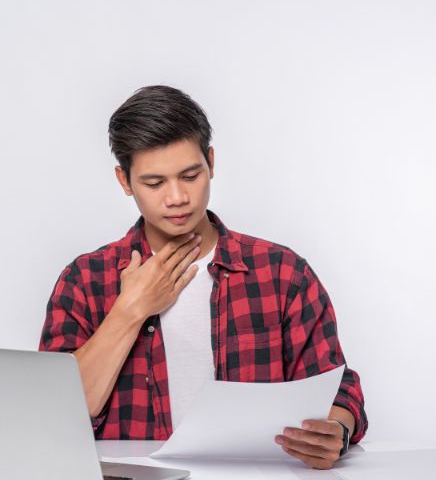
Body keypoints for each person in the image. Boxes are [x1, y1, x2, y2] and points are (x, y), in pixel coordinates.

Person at [39, 85, 367, 470]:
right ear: (124, 181)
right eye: (154, 183)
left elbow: (338, 390)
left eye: (190, 175)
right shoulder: (85, 281)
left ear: (211, 162)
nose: (177, 197)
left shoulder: (281, 273)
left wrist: (336, 433)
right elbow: (56, 415)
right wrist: (130, 309)